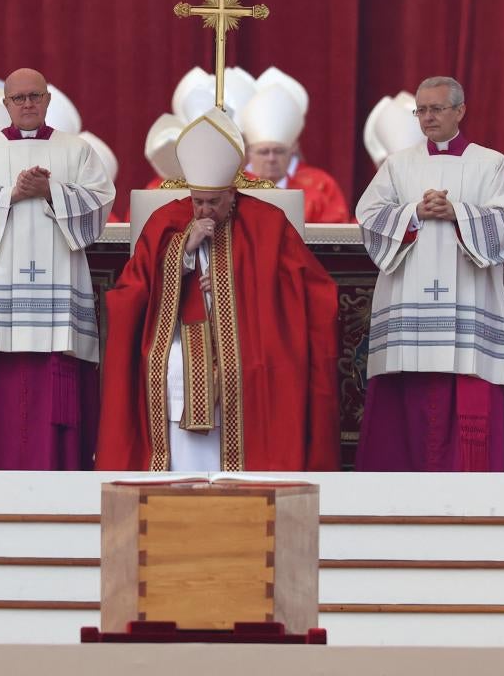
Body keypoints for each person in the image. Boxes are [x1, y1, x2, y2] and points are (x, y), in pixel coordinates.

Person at [96, 106, 340, 471]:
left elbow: (312, 292)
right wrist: (182, 253)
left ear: (232, 192)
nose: (205, 210)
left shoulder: (267, 222)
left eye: (214, 202)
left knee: (257, 367)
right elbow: (130, 291)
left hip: (252, 334)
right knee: (175, 364)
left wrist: (239, 286)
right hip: (177, 334)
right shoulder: (167, 221)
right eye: (198, 201)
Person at [0, 67, 115, 470]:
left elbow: (99, 202)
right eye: (18, 98)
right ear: (5, 104)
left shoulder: (77, 151)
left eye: (34, 96)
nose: (27, 104)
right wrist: (12, 193)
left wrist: (52, 192)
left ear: (47, 100)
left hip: (57, 313)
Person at [355, 76, 504, 471]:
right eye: (421, 110)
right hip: (409, 304)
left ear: (460, 111)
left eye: (436, 109)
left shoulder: (492, 164)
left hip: (468, 304)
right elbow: (369, 218)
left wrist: (458, 213)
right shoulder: (398, 166)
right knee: (405, 403)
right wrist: (413, 213)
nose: (427, 118)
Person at [240, 81, 349, 223]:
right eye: (264, 152)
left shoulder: (320, 187)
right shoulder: (235, 189)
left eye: (279, 151)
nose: (271, 158)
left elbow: (335, 236)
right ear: (249, 152)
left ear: (292, 150)